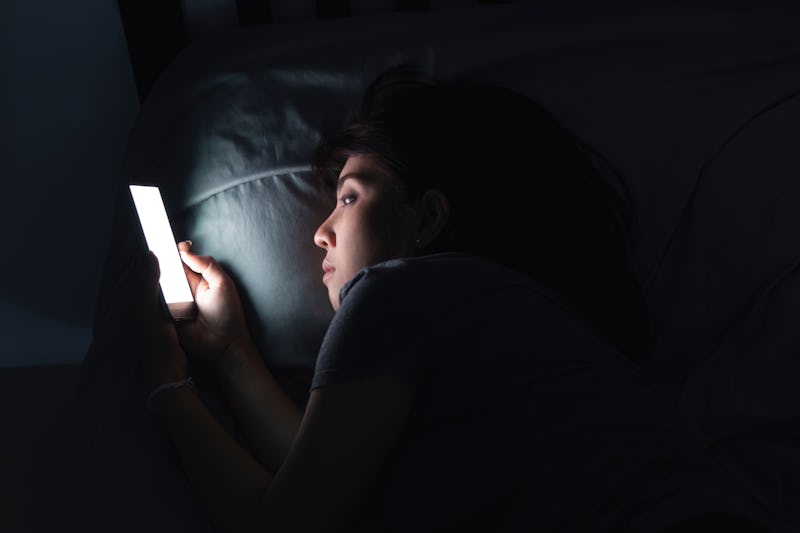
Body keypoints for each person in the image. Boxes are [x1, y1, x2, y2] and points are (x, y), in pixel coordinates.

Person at [130, 64, 771, 532]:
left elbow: (289, 522)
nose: (321, 231)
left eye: (350, 197)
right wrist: (232, 352)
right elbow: (326, 476)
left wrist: (166, 386)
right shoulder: (515, 322)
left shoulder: (401, 291)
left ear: (428, 217)